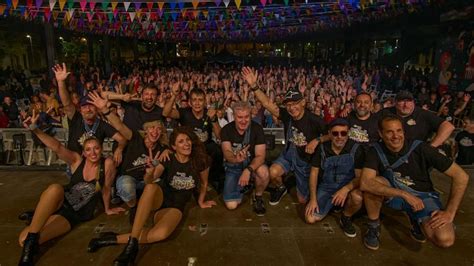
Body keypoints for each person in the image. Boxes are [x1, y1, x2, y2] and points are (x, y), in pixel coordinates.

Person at [87, 127, 216, 265]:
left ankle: (109, 239)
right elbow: (150, 180)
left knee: (161, 234)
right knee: (150, 187)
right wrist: (149, 172)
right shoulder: (167, 157)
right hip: (160, 198)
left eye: (188, 140)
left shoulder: (201, 160)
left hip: (175, 206)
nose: (186, 144)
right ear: (173, 146)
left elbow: (204, 183)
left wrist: (201, 202)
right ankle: (131, 248)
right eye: (181, 142)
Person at [18, 110, 122, 265]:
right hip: (61, 200)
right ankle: (30, 246)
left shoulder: (106, 164)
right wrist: (35, 129)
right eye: (88, 149)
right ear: (84, 153)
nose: (93, 153)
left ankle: (34, 229)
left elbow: (106, 188)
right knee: (54, 188)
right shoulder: (77, 161)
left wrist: (107, 209)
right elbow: (57, 147)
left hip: (74, 214)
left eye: (96, 148)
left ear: (101, 149)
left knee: (23, 240)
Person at [360, 115, 469, 250]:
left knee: (445, 239)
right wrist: (404, 194)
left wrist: (449, 213)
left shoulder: (421, 148)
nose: (396, 136)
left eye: (399, 131)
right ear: (380, 134)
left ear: (403, 131)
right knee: (373, 184)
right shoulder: (375, 149)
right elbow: (365, 183)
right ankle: (373, 225)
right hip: (395, 194)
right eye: (389, 132)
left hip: (423, 196)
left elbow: (461, 176)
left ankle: (416, 220)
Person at [241, 67, 326, 206]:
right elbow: (268, 104)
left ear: (303, 102)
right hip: (289, 155)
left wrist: (317, 140)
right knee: (272, 172)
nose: (292, 108)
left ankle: (296, 182)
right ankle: (281, 187)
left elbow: (332, 134)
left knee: (302, 200)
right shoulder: (287, 115)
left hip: (305, 161)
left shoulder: (315, 120)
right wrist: (254, 86)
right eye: (289, 105)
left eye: (295, 104)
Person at [87, 91, 170, 223]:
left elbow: (154, 177)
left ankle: (145, 203)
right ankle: (133, 206)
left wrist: (150, 172)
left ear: (161, 132)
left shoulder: (162, 150)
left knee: (160, 187)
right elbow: (119, 126)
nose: (155, 131)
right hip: (129, 178)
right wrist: (105, 109)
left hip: (146, 182)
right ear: (146, 130)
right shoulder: (135, 137)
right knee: (126, 187)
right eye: (152, 128)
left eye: (158, 129)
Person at [52, 64, 127, 165]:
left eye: (91, 106)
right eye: (84, 106)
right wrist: (61, 82)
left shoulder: (101, 125)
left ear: (96, 108)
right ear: (80, 109)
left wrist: (119, 149)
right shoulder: (76, 118)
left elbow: (121, 139)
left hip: (94, 164)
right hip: (75, 164)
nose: (88, 109)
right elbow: (66, 103)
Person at [305, 119, 365, 237]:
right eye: (335, 133)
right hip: (327, 187)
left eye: (343, 133)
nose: (339, 137)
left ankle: (346, 216)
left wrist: (345, 189)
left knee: (357, 198)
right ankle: (334, 205)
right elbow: (314, 174)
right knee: (310, 218)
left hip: (348, 186)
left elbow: (360, 178)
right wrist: (313, 199)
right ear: (329, 133)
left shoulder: (356, 149)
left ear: (348, 133)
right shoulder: (322, 149)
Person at [162, 83, 225, 192]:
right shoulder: (184, 112)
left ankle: (213, 179)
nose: (197, 103)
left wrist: (213, 119)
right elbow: (165, 113)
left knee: (217, 150)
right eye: (194, 100)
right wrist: (174, 95)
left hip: (206, 147)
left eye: (200, 100)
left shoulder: (208, 113)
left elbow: (220, 136)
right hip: (188, 147)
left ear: (205, 101)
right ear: (190, 102)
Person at [220, 101, 269, 215]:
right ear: (233, 116)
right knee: (231, 206)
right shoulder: (226, 129)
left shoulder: (257, 129)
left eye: (246, 117)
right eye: (240, 117)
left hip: (251, 166)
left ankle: (258, 196)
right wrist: (236, 158)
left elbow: (261, 157)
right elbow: (227, 153)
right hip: (234, 167)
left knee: (263, 172)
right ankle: (243, 187)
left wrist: (248, 170)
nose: (243, 120)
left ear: (251, 115)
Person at [384, 90, 455, 147]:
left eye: (408, 101)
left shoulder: (422, 114)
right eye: (402, 101)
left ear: (413, 103)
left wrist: (431, 147)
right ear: (395, 103)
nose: (405, 105)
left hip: (415, 156)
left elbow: (448, 127)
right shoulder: (386, 113)